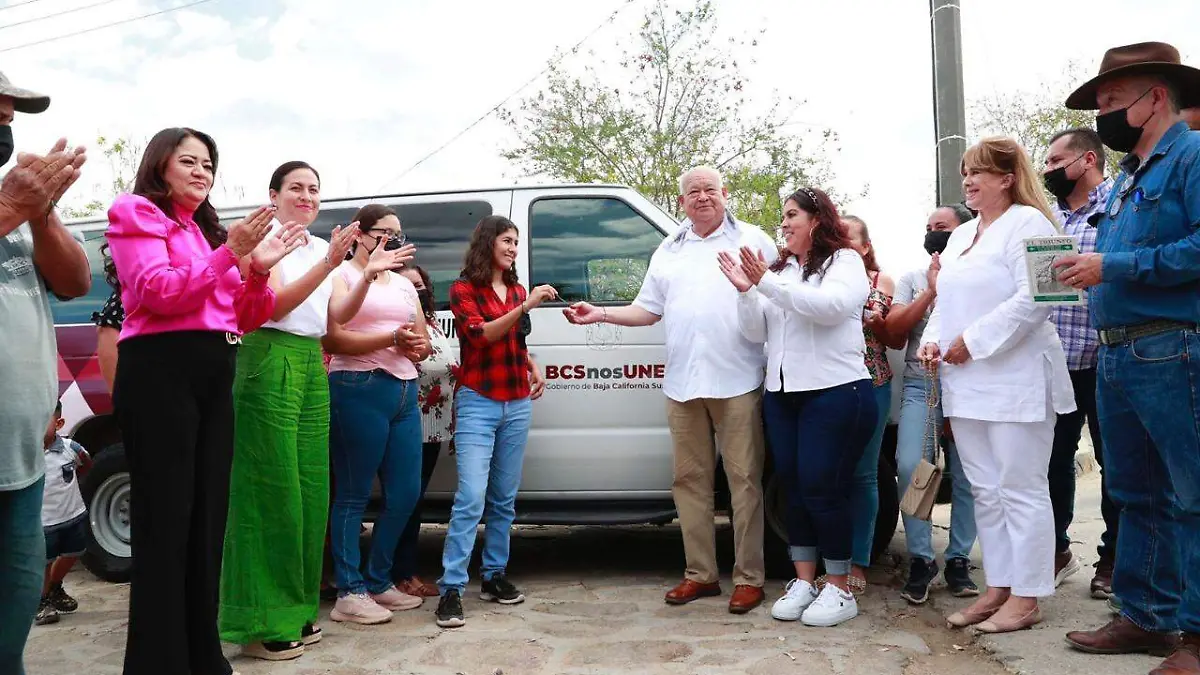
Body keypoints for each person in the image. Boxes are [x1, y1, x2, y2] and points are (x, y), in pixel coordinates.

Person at [106, 127, 304, 675]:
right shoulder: (137, 213)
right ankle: (158, 662)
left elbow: (246, 315)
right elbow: (158, 292)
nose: (201, 172)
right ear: (160, 166)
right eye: (188, 161)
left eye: (209, 165)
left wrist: (256, 268)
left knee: (206, 519)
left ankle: (201, 654)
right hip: (161, 372)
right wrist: (230, 254)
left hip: (214, 371)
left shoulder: (202, 231)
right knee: (166, 523)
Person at [563, 166, 776, 615]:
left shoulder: (753, 240)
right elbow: (648, 310)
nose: (702, 197)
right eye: (693, 192)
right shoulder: (669, 249)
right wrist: (599, 313)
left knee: (744, 483)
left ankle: (749, 579)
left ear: (725, 194)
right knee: (689, 482)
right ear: (682, 202)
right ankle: (700, 575)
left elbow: (777, 304)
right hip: (682, 383)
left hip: (737, 379)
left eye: (710, 190)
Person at [1056, 42, 1200, 672]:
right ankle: (1146, 618)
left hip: (1172, 348)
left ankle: (1195, 637)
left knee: (1192, 495)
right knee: (1136, 493)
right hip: (1118, 354)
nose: (1105, 114)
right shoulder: (1129, 179)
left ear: (1156, 97)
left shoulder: (1192, 158)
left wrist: (1113, 264)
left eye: (1113, 101)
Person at [917, 136, 1075, 635]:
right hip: (966, 382)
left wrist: (973, 340)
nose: (968, 180)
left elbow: (1046, 296)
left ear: (1007, 178)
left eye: (979, 172)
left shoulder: (1034, 223)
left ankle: (1028, 595)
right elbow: (944, 299)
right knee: (984, 489)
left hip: (1018, 380)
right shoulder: (962, 235)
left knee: (1021, 487)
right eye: (966, 172)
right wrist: (933, 340)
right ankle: (999, 588)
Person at [217, 162, 371, 660]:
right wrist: (329, 264)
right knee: (271, 492)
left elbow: (335, 319)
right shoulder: (272, 240)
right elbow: (276, 307)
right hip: (268, 355)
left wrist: (363, 274)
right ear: (274, 194)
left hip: (309, 363)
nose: (306, 196)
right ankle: (261, 621)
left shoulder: (315, 245)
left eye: (314, 190)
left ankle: (297, 609)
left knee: (309, 492)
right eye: (296, 188)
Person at [718, 186, 876, 627]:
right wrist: (747, 292)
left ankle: (840, 587)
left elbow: (830, 309)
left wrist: (765, 283)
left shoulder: (844, 262)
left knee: (824, 488)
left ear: (817, 220)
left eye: (791, 215)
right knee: (794, 487)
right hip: (783, 395)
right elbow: (755, 333)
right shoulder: (780, 268)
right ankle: (805, 580)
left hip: (836, 390)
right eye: (782, 216)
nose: (784, 224)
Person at [0, 71, 90, 675]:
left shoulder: (18, 198)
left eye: (9, 115)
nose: (6, 123)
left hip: (20, 459)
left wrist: (41, 213)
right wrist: (11, 206)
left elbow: (76, 282)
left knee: (12, 615)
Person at [436, 215, 553, 628]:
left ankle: (494, 576)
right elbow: (482, 335)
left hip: (517, 401)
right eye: (507, 240)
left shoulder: (518, 288)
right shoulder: (464, 288)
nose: (513, 248)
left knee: (503, 498)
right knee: (471, 496)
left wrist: (532, 364)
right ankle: (451, 587)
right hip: (479, 401)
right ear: (488, 243)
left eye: (516, 242)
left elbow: (515, 341)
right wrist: (525, 304)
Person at [323, 204, 428, 626]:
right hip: (358, 387)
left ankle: (379, 579)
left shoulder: (403, 285)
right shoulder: (341, 275)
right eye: (385, 233)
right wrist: (390, 338)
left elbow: (420, 335)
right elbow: (335, 336)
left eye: (398, 234)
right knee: (352, 494)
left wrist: (417, 346)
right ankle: (349, 590)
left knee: (405, 493)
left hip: (404, 389)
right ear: (361, 234)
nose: (393, 241)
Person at [884, 205, 980, 605]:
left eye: (942, 227)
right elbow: (894, 330)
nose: (933, 233)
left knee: (968, 472)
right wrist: (931, 290)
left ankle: (958, 557)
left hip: (970, 383)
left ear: (964, 230)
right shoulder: (909, 278)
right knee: (911, 465)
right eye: (928, 228)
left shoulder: (978, 275)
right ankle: (922, 559)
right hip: (921, 385)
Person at [1040, 128, 1118, 597]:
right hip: (1058, 359)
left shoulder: (1120, 209)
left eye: (1054, 161)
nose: (1047, 170)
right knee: (1052, 461)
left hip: (1109, 355)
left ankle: (1112, 559)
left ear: (1087, 160)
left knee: (1118, 464)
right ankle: (1055, 549)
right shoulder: (1047, 219)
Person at [392, 264, 458, 598]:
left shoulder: (430, 323)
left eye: (420, 285)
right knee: (406, 501)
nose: (416, 290)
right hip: (409, 423)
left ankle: (405, 571)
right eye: (408, 286)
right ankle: (400, 573)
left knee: (415, 500)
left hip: (433, 427)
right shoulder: (396, 325)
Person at [840, 214, 893, 595]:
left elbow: (869, 319)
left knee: (863, 475)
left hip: (872, 386)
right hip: (826, 388)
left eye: (848, 240)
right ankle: (831, 563)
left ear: (865, 247)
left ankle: (859, 562)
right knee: (825, 475)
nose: (841, 246)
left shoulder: (879, 281)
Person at [35, 401, 91, 626]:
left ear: (59, 423)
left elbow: (86, 463)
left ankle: (55, 588)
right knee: (44, 563)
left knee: (74, 552)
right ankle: (41, 602)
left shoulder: (71, 449)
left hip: (73, 516)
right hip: (44, 523)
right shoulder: (29, 457)